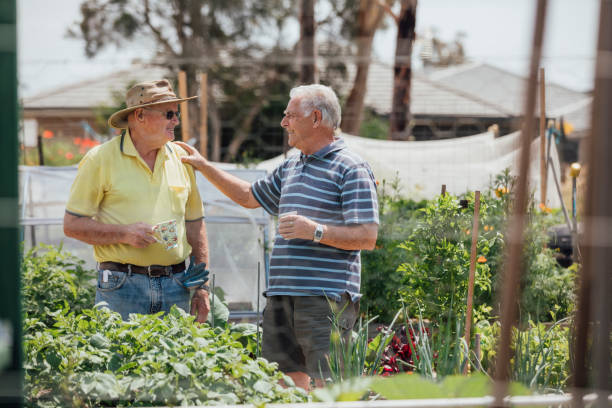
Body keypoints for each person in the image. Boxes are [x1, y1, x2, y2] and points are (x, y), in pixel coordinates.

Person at [176, 84, 379, 389]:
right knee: (283, 383)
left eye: (290, 116)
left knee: (328, 386)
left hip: (325, 299)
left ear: (315, 118)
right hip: (282, 295)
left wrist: (315, 231)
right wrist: (205, 167)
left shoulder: (351, 168)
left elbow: (367, 236)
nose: (283, 123)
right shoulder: (291, 167)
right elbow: (248, 196)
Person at [63, 79, 210, 322]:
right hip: (121, 286)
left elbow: (195, 224)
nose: (176, 121)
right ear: (140, 115)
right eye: (169, 114)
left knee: (178, 360)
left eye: (177, 113)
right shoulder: (100, 159)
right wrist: (124, 233)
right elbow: (72, 225)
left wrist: (201, 285)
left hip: (177, 284)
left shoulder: (182, 158)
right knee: (120, 359)